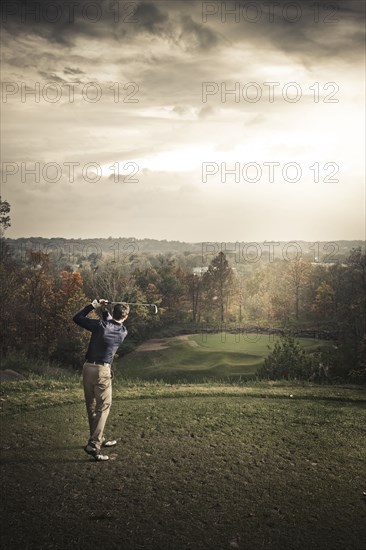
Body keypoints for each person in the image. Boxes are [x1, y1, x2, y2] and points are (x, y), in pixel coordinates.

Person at [73, 299, 129, 461]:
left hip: (87, 368)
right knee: (103, 407)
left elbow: (77, 318)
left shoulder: (100, 326)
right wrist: (105, 311)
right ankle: (94, 443)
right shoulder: (123, 331)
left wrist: (95, 305)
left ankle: (98, 438)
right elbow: (111, 322)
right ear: (125, 317)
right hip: (103, 371)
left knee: (92, 406)